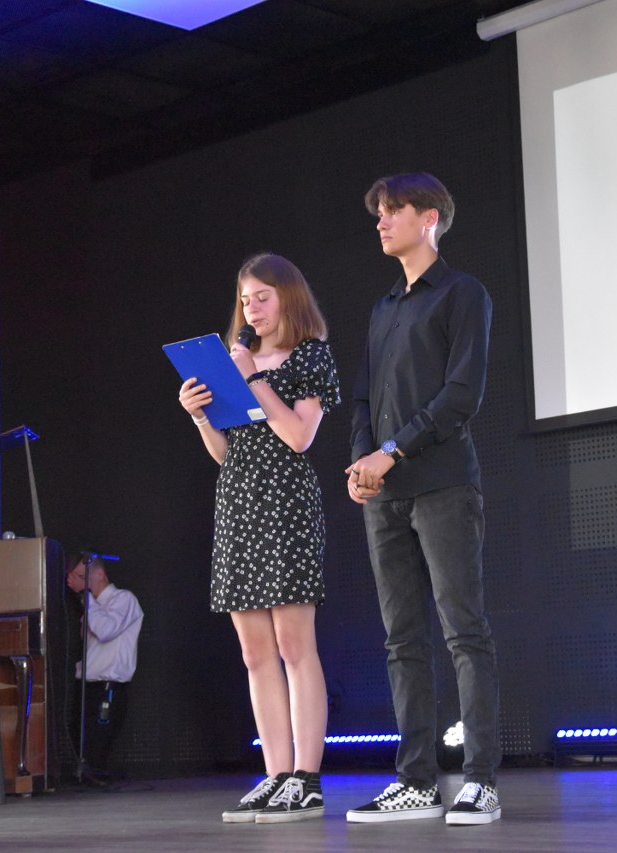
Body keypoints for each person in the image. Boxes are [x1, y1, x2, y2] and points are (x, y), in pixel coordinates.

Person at [345, 172, 501, 825]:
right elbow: (363, 395)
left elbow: (461, 395)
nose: (381, 222)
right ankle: (414, 780)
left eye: (393, 210)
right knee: (401, 639)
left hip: (442, 485)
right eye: (378, 213)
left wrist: (393, 449)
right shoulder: (384, 308)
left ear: (429, 217)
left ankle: (481, 781)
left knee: (464, 630)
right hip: (385, 496)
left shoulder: (463, 293)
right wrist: (363, 460)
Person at [177, 252, 340, 824]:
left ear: (288, 297)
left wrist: (251, 377)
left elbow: (298, 436)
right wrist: (201, 416)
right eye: (245, 300)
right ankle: (275, 776)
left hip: (286, 506)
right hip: (239, 507)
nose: (252, 309)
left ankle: (306, 780)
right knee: (254, 654)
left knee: (295, 646)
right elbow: (228, 455)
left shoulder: (310, 355)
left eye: (263, 297)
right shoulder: (234, 362)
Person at [66, 553, 144, 787]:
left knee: (98, 744)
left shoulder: (123, 599)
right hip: (86, 685)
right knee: (81, 741)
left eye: (82, 576)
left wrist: (86, 597)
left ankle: (100, 777)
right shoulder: (91, 606)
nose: (79, 582)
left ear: (99, 574)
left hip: (108, 686)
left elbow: (106, 630)